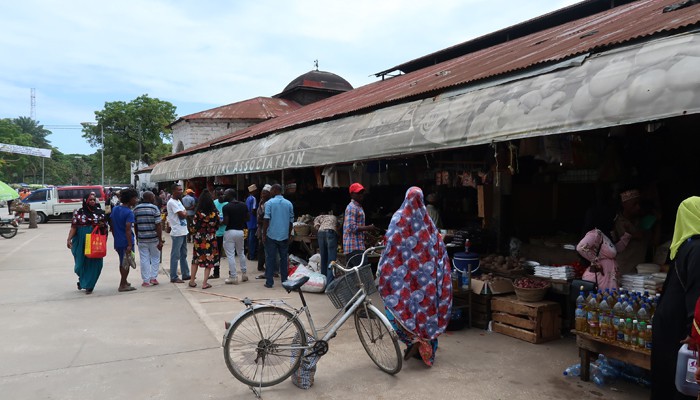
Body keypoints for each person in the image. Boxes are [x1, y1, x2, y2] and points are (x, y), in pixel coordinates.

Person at [377, 186, 452, 366]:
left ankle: (413, 341)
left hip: (402, 278)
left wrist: (384, 268)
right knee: (427, 310)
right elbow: (439, 248)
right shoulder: (427, 221)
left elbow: (388, 246)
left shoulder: (398, 218)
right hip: (426, 280)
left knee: (402, 308)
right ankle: (425, 346)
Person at [651, 197, 700, 400]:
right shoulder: (695, 247)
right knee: (675, 376)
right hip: (678, 325)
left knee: (668, 373)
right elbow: (696, 293)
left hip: (670, 323)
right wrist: (694, 330)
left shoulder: (687, 246)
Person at [67, 193, 108, 295]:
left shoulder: (100, 213)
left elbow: (105, 227)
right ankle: (82, 280)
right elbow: (74, 227)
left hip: (94, 240)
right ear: (86, 201)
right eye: (90, 200)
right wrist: (69, 239)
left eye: (94, 200)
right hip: (81, 240)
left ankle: (89, 285)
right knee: (79, 265)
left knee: (95, 263)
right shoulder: (79, 213)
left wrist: (102, 225)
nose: (92, 201)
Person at [261, 184, 294, 289]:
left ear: (275, 190)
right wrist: (288, 234)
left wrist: (264, 234)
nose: (270, 192)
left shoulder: (269, 203)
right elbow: (291, 221)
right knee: (284, 259)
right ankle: (284, 281)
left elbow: (266, 219)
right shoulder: (289, 203)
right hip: (284, 235)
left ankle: (269, 282)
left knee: (270, 258)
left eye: (271, 190)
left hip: (271, 235)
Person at [613, 189, 650, 275]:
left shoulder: (641, 222)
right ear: (624, 204)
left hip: (640, 270)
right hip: (623, 271)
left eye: (639, 204)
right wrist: (631, 236)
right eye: (634, 204)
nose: (638, 207)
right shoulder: (617, 222)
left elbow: (653, 242)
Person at [188, 190, 220, 290]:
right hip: (211, 238)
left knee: (196, 259)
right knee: (209, 260)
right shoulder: (214, 213)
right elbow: (218, 225)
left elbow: (193, 227)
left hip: (199, 239)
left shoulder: (198, 213)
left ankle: (192, 281)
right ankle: (205, 283)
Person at [110, 188, 139, 292]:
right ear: (130, 199)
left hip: (118, 240)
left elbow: (112, 225)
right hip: (126, 241)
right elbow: (128, 229)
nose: (136, 200)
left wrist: (115, 237)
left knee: (122, 262)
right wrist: (130, 245)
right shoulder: (129, 213)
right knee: (126, 263)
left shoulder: (115, 209)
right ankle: (122, 284)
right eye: (135, 198)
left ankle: (124, 281)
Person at [343, 183, 376, 269]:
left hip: (355, 247)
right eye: (358, 193)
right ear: (352, 194)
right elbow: (351, 227)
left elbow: (356, 226)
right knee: (363, 274)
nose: (361, 195)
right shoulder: (352, 208)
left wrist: (367, 234)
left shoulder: (357, 207)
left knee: (355, 277)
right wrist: (369, 227)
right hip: (354, 247)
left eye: (362, 192)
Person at [133, 191, 163, 287]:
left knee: (144, 259)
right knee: (155, 257)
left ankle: (145, 280)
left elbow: (135, 225)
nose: (154, 198)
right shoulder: (154, 208)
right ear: (150, 198)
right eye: (153, 197)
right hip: (154, 238)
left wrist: (137, 237)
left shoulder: (136, 209)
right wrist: (160, 240)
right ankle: (153, 278)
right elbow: (158, 225)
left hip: (142, 238)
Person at [222, 188, 249, 284]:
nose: (224, 195)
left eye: (225, 194)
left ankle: (233, 276)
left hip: (230, 231)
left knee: (230, 255)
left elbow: (226, 222)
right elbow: (247, 218)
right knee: (241, 252)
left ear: (230, 195)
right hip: (240, 231)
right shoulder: (243, 205)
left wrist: (219, 221)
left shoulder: (226, 207)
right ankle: (244, 274)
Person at [167, 183, 190, 283]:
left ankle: (185, 274)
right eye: (179, 190)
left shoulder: (178, 201)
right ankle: (174, 276)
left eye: (181, 190)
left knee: (183, 254)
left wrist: (184, 212)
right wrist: (184, 212)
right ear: (173, 191)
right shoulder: (172, 202)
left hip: (183, 230)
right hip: (177, 232)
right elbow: (182, 215)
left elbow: (185, 212)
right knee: (175, 255)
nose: (181, 191)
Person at [314, 208, 339, 285]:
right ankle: (329, 284)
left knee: (323, 258)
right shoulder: (334, 217)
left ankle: (323, 282)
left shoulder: (319, 217)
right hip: (331, 232)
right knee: (331, 260)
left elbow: (316, 226)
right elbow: (338, 228)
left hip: (321, 233)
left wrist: (320, 231)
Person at [255, 184, 272, 278]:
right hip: (262, 228)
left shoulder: (268, 203)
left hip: (265, 228)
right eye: (262, 192)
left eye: (265, 193)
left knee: (264, 248)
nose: (262, 194)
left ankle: (265, 267)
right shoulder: (262, 202)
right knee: (262, 248)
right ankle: (261, 266)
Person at [211, 188, 228, 279]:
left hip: (226, 232)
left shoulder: (228, 204)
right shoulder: (214, 203)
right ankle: (216, 272)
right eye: (219, 194)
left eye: (222, 194)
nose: (221, 196)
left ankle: (231, 273)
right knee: (216, 254)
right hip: (217, 233)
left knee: (229, 253)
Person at [246, 184, 259, 260]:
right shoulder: (253, 198)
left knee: (250, 237)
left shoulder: (248, 199)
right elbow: (254, 210)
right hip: (253, 219)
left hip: (249, 220)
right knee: (252, 238)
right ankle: (252, 254)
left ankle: (250, 254)